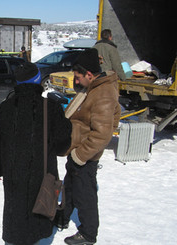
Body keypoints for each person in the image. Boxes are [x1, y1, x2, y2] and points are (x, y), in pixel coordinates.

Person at [0, 62, 72, 245]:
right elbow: (61, 146)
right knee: (38, 219)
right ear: (38, 81)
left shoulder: (4, 109)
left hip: (13, 175)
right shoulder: (51, 107)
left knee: (16, 213)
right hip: (42, 173)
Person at [58, 48, 121, 245]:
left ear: (89, 74)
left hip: (85, 156)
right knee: (69, 188)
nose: (76, 81)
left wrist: (80, 155)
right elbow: (114, 114)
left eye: (78, 77)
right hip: (77, 150)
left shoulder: (102, 93)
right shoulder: (94, 87)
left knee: (85, 196)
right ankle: (61, 217)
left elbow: (102, 135)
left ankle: (88, 234)